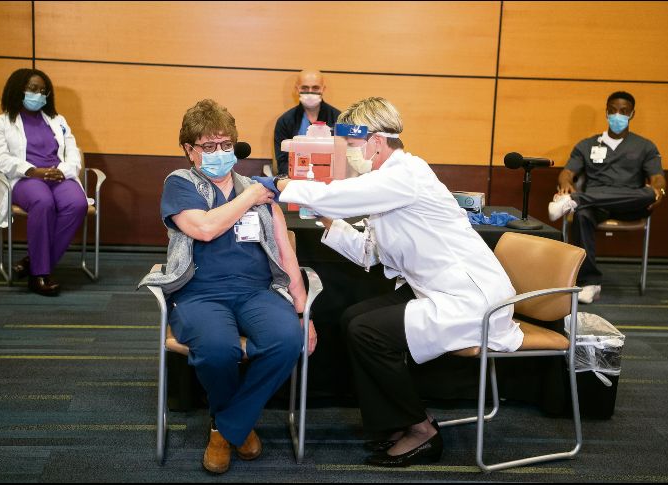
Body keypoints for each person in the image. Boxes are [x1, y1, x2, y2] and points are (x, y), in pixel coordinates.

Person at [254, 97, 522, 467]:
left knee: (368, 331)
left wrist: (282, 184)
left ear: (376, 142)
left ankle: (421, 430)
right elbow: (370, 251)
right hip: (441, 292)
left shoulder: (404, 175)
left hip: (474, 301)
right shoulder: (385, 181)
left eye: (351, 146)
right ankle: (396, 424)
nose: (348, 154)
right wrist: (329, 222)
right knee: (353, 319)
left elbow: (337, 195)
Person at [138, 99, 317, 474]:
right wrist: (250, 197)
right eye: (208, 146)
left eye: (226, 144)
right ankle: (240, 427)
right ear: (189, 150)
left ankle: (226, 427)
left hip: (256, 292)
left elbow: (285, 252)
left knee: (289, 340)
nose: (220, 152)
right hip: (199, 292)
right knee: (218, 350)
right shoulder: (181, 183)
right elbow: (204, 228)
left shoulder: (256, 189)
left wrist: (304, 311)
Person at [547, 91, 666, 304]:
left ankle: (579, 200)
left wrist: (659, 190)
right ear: (606, 112)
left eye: (623, 111)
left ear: (632, 114)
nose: (617, 115)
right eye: (613, 111)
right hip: (596, 208)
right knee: (582, 214)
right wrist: (565, 185)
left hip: (630, 204)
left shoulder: (645, 146)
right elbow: (567, 173)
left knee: (648, 193)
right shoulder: (586, 145)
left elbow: (657, 178)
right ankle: (590, 282)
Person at [0, 68, 89, 297]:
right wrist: (32, 170)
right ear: (18, 90)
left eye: (43, 90)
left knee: (77, 204)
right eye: (33, 89)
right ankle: (39, 275)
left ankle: (33, 261)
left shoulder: (57, 120)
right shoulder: (2, 122)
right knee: (43, 202)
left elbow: (72, 152)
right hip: (25, 178)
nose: (39, 95)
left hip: (57, 175)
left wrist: (62, 171)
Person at [273, 69, 341, 176]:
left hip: (328, 179)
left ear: (323, 89)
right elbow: (283, 163)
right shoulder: (284, 121)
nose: (310, 92)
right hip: (295, 180)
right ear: (297, 89)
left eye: (315, 88)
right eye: (305, 87)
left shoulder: (338, 119)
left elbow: (343, 158)